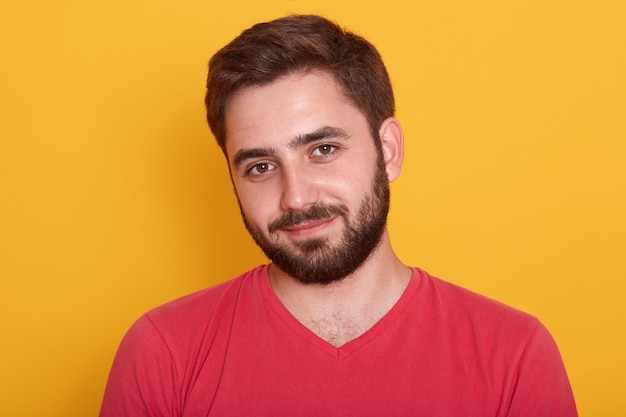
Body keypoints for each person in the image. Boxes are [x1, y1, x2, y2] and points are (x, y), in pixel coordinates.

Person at [99, 14, 577, 416]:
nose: (296, 197)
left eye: (323, 149)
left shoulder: (515, 355)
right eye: (261, 166)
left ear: (387, 150)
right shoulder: (163, 353)